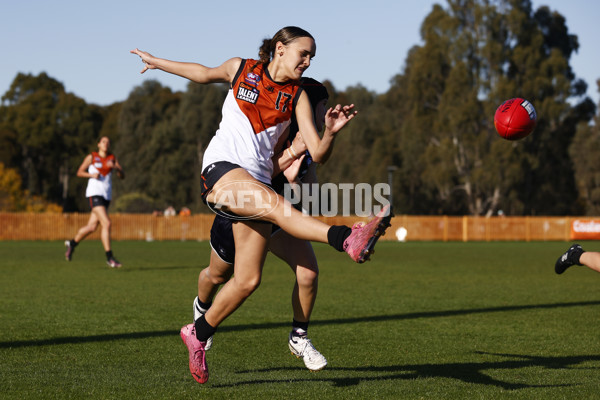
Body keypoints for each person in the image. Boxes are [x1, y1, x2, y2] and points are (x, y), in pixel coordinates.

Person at [131, 26, 392, 384]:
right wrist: (157, 62)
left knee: (247, 280)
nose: (309, 60)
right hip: (221, 170)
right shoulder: (242, 68)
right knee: (275, 211)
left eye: (312, 55)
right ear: (280, 49)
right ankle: (346, 237)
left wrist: (330, 132)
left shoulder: (298, 97)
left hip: (257, 185)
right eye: (304, 53)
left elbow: (317, 153)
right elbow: (202, 73)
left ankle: (199, 332)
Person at [194, 78, 331, 372]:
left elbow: (310, 186)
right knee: (217, 275)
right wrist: (293, 152)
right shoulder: (280, 128)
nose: (325, 111)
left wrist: (307, 190)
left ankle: (299, 336)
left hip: (281, 216)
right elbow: (260, 169)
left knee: (308, 273)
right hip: (247, 210)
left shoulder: (312, 136)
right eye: (323, 105)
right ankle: (201, 310)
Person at [64, 136, 124, 268]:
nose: (106, 144)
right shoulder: (92, 157)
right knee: (106, 223)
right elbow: (79, 172)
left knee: (91, 227)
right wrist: (92, 175)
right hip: (94, 194)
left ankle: (72, 243)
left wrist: (116, 168)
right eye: (104, 142)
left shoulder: (112, 158)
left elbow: (122, 176)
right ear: (98, 144)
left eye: (108, 142)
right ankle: (109, 257)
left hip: (106, 196)